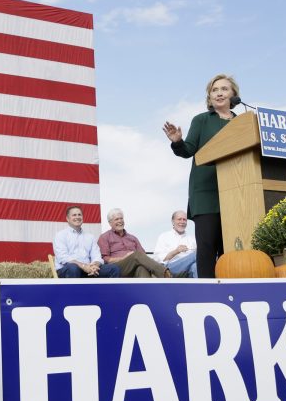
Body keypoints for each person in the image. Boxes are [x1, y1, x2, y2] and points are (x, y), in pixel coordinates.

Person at [163, 73, 239, 278]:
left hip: (236, 193)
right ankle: (207, 290)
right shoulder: (202, 120)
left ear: (233, 94)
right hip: (206, 194)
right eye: (215, 90)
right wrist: (177, 141)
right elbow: (187, 150)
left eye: (224, 89)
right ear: (209, 97)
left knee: (231, 247)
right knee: (207, 249)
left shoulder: (244, 123)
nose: (219, 93)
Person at [97, 208, 170, 277]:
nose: (120, 221)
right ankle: (165, 273)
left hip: (134, 267)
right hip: (117, 268)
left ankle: (146, 289)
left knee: (142, 268)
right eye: (116, 219)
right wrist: (123, 258)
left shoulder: (132, 238)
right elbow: (104, 259)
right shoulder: (104, 237)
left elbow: (143, 255)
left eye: (121, 218)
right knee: (136, 255)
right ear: (110, 223)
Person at [52, 206, 120, 278]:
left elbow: (97, 256)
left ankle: (109, 289)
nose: (77, 217)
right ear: (67, 219)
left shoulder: (90, 237)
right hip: (68, 270)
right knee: (73, 268)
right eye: (74, 215)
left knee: (114, 269)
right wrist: (83, 266)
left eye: (79, 215)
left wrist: (94, 266)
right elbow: (63, 257)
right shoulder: (60, 235)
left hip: (89, 269)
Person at [153, 210, 198, 278]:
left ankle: (198, 288)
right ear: (173, 221)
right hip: (170, 269)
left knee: (195, 266)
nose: (182, 222)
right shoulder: (164, 236)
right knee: (198, 254)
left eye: (184, 220)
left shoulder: (192, 239)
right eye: (179, 219)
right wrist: (176, 251)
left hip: (187, 269)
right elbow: (157, 259)